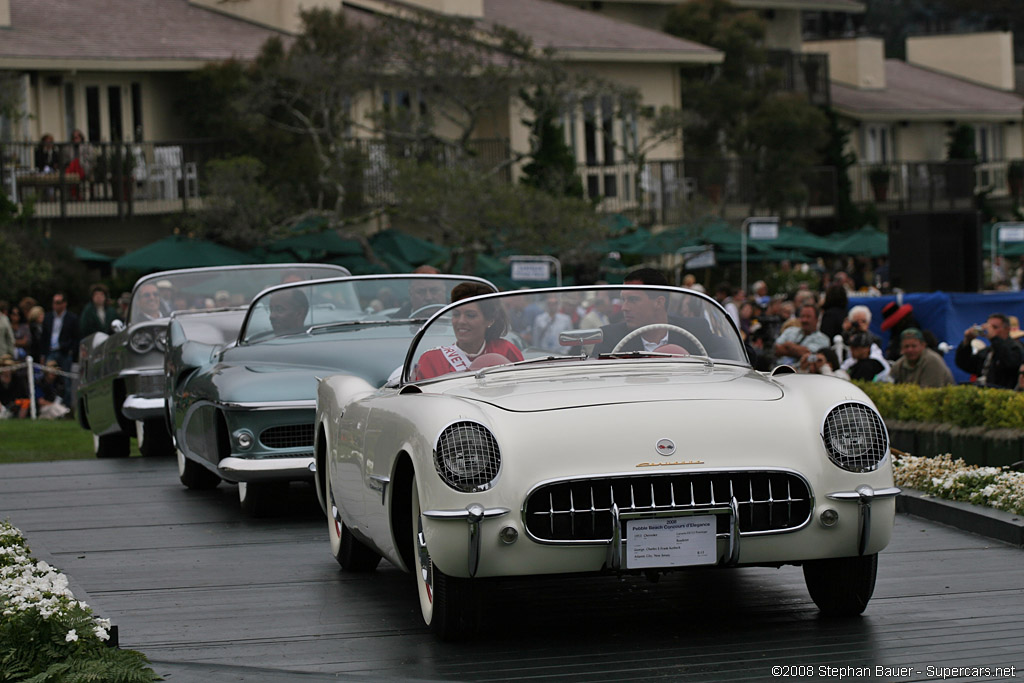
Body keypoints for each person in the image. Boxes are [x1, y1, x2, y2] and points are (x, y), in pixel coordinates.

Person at [414, 283, 523, 380]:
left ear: (490, 320)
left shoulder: (505, 350)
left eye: (470, 315)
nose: (461, 321)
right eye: (456, 314)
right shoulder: (432, 360)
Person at [954, 313, 1023, 389]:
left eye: (994, 327)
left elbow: (1010, 362)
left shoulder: (1016, 349)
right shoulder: (988, 351)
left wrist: (995, 339)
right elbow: (965, 364)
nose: (990, 330)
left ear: (1007, 329)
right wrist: (967, 341)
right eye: (988, 327)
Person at [41, 292, 78, 407]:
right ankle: (49, 404)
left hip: (65, 353)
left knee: (66, 381)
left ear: (64, 304)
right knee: (48, 379)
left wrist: (72, 351)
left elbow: (76, 337)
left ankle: (66, 408)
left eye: (58, 302)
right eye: (54, 303)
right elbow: (44, 337)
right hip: (51, 352)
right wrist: (43, 354)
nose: (55, 305)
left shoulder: (72, 318)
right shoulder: (48, 318)